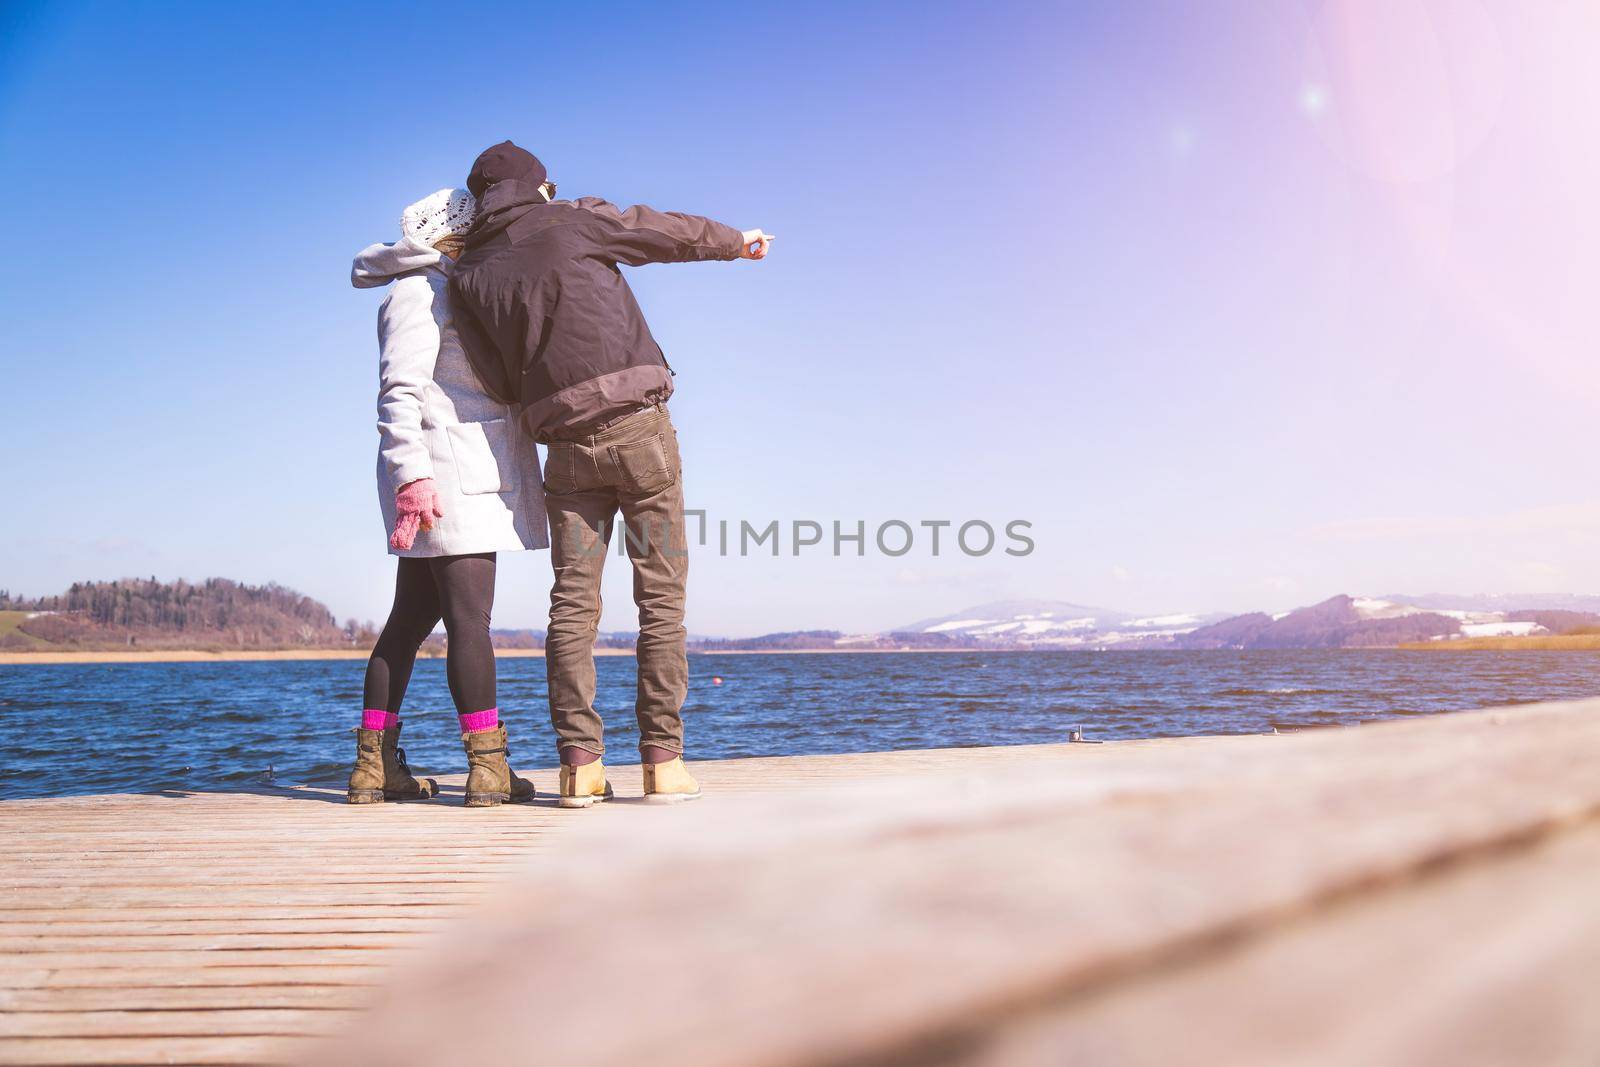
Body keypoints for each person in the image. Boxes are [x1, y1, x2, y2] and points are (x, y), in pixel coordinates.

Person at [448, 141, 772, 807]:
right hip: (639, 431)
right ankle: (662, 761)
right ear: (538, 186)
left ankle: (579, 769)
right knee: (661, 598)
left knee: (572, 606)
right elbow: (658, 231)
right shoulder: (570, 218)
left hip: (563, 450)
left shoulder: (469, 275)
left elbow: (494, 380)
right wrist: (737, 241)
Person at [347, 188, 550, 807]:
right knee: (470, 620)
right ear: (450, 235)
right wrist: (412, 476)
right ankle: (488, 768)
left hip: (447, 478)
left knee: (409, 621)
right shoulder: (418, 291)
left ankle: (375, 768)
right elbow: (398, 393)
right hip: (442, 481)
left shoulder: (440, 285)